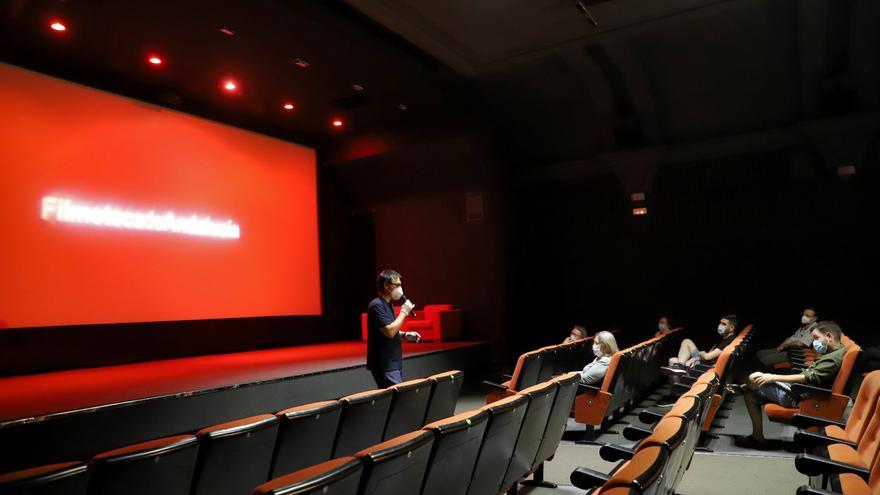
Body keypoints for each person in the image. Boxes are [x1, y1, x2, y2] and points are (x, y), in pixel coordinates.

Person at [731, 321, 847, 449]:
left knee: (753, 377)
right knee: (751, 396)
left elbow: (809, 377)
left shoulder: (833, 358)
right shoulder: (835, 352)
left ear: (829, 336)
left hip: (800, 396)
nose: (814, 343)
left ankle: (743, 388)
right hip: (801, 391)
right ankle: (757, 436)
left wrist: (773, 377)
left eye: (816, 338)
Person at [366, 269, 421, 388]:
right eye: (398, 285)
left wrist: (405, 335)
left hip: (393, 363)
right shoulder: (376, 305)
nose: (400, 289)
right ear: (386, 286)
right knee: (398, 399)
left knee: (393, 401)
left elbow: (389, 330)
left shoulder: (388, 305)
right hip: (385, 364)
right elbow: (390, 331)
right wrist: (404, 312)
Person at [663, 314, 738, 374]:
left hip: (706, 366)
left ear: (731, 327)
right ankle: (680, 366)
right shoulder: (722, 338)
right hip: (704, 362)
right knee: (673, 358)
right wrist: (696, 358)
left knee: (675, 358)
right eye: (720, 323)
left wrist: (701, 354)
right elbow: (709, 353)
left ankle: (680, 367)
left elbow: (707, 357)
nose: (720, 326)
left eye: (724, 324)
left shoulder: (729, 340)